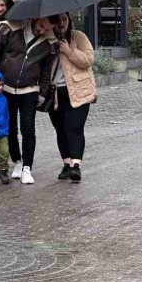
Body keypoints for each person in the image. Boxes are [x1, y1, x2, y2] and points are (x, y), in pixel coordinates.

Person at [0, 17, 57, 185]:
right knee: (9, 128)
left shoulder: (48, 43)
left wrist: (42, 93)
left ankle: (27, 168)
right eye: (41, 26)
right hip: (6, 88)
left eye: (47, 29)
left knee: (28, 129)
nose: (42, 31)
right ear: (37, 18)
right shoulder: (11, 28)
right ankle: (17, 161)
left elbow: (46, 71)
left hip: (30, 90)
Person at [47, 14, 96, 183]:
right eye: (57, 20)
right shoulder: (47, 40)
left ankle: (76, 166)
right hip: (55, 93)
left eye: (64, 19)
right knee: (60, 128)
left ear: (69, 20)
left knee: (74, 128)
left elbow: (88, 60)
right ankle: (67, 164)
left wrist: (68, 51)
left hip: (78, 90)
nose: (61, 23)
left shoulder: (78, 37)